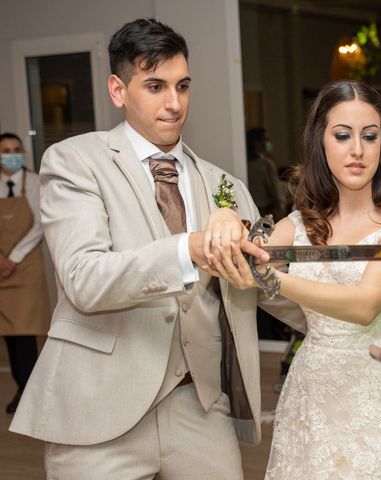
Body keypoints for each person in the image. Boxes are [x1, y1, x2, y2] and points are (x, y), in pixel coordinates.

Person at [10, 18, 304, 479]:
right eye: (155, 85)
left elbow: (265, 282)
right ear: (117, 89)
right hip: (100, 412)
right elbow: (85, 279)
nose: (174, 103)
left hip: (201, 405)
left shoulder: (224, 185)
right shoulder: (74, 162)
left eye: (182, 86)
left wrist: (355, 320)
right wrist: (189, 248)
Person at [206, 80, 381, 478]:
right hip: (314, 396)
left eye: (369, 137)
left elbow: (365, 304)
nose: (357, 150)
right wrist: (225, 218)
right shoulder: (298, 224)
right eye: (342, 135)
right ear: (321, 142)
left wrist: (271, 279)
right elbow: (240, 251)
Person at [0, 133, 50, 414]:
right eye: (6, 150)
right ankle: (23, 387)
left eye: (16, 150)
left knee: (26, 332)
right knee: (9, 332)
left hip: (26, 268)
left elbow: (40, 225)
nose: (12, 154)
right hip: (1, 269)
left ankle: (29, 390)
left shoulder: (34, 182)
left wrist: (12, 259)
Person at [246, 127, 286, 220]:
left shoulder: (246, 163)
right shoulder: (265, 164)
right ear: (256, 143)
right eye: (265, 139)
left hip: (250, 211)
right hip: (266, 212)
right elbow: (276, 191)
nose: (268, 143)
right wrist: (281, 209)